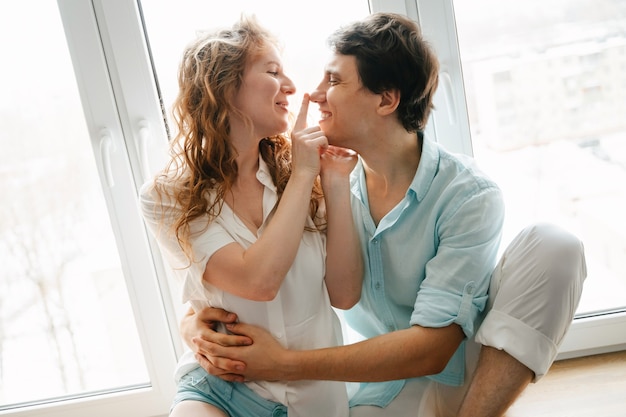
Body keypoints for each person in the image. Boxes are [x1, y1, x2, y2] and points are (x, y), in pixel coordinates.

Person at [181, 12, 588, 417]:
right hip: (380, 390)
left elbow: (433, 348)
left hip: (466, 372)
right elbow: (265, 273)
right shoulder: (328, 187)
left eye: (335, 81)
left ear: (387, 99)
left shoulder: (466, 194)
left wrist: (282, 363)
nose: (315, 94)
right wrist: (193, 321)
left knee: (555, 245)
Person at [140, 15, 363, 417]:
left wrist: (330, 183)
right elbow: (257, 281)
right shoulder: (167, 196)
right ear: (224, 87)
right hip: (220, 387)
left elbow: (345, 294)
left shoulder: (307, 176)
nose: (292, 87)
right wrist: (304, 173)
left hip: (313, 400)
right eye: (273, 71)